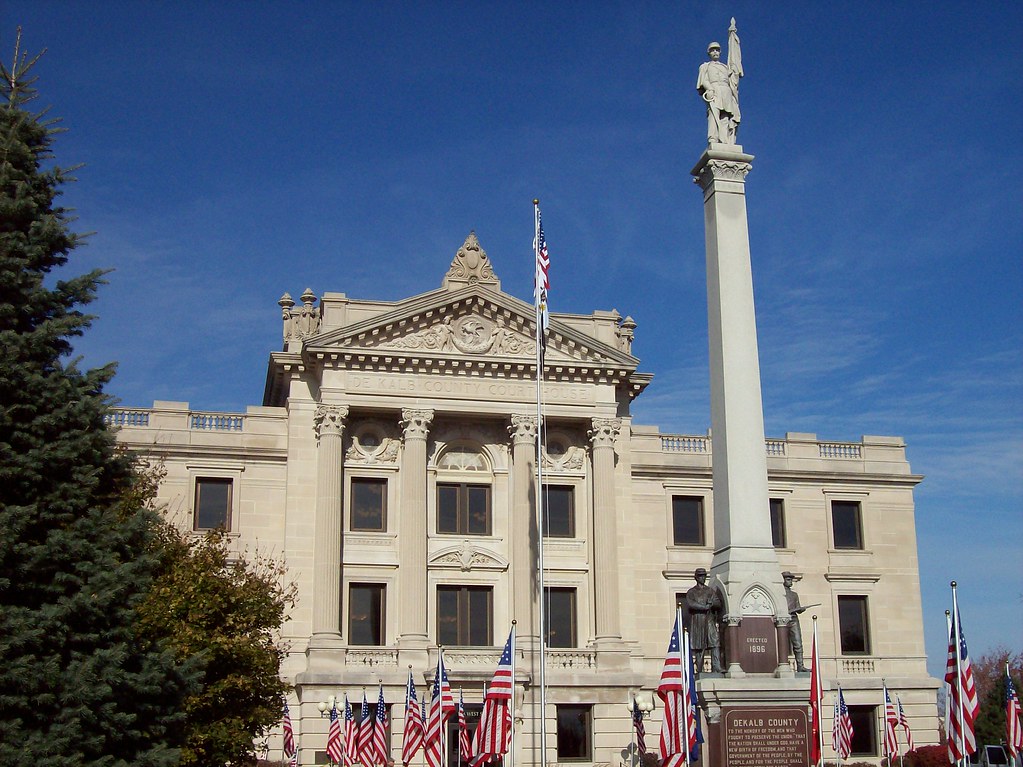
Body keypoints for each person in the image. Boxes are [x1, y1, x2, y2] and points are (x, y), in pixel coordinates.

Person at [696, 26, 742, 145]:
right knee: (713, 115)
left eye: (717, 50)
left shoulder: (726, 67)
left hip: (726, 91)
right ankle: (713, 138)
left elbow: (733, 78)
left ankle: (725, 139)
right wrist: (709, 88)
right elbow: (703, 80)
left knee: (726, 116)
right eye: (713, 50)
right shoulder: (705, 66)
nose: (715, 52)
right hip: (714, 91)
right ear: (709, 53)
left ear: (720, 52)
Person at [684, 568, 723, 673]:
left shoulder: (710, 591)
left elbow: (718, 603)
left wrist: (712, 604)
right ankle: (699, 669)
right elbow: (690, 604)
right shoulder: (691, 592)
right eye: (701, 576)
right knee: (699, 646)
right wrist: (704, 607)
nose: (703, 578)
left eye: (704, 576)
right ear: (696, 577)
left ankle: (716, 666)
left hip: (709, 620)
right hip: (698, 620)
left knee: (714, 642)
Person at [783, 571, 808, 672]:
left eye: (791, 580)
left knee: (798, 643)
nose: (791, 582)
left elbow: (797, 607)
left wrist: (801, 609)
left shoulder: (794, 594)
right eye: (788, 580)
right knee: (782, 643)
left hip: (793, 619)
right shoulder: (779, 593)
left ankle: (800, 666)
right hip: (783, 620)